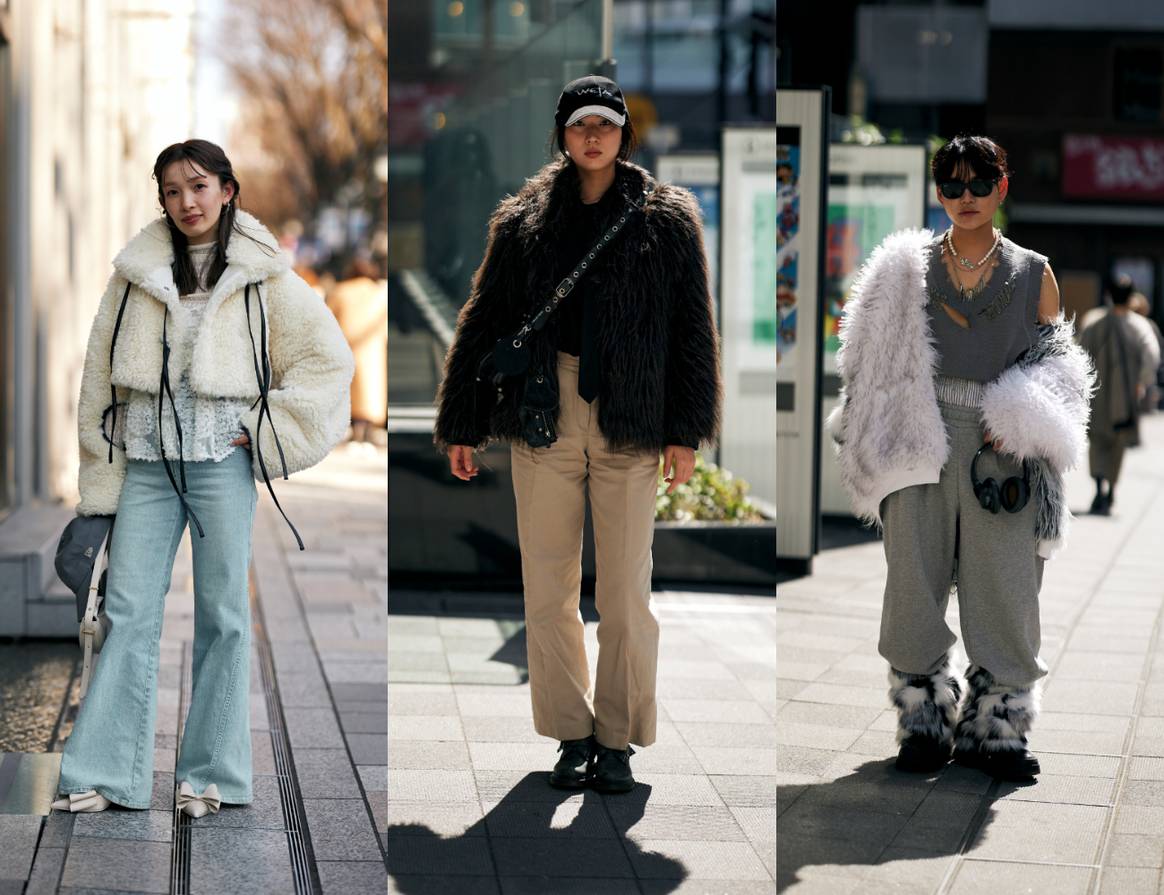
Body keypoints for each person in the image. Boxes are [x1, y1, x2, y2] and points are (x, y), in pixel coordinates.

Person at [434, 75, 721, 794]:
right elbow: (484, 315)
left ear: (625, 134)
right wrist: (462, 419)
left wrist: (685, 430)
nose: (593, 135)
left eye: (606, 123)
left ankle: (617, 737)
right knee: (548, 586)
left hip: (632, 413)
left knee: (625, 594)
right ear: (561, 136)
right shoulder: (523, 218)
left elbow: (693, 330)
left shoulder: (667, 217)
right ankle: (571, 732)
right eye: (579, 124)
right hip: (544, 408)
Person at [52, 139, 354, 815]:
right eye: (171, 190)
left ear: (226, 189)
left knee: (223, 614)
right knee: (126, 611)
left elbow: (327, 359)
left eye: (198, 186)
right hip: (149, 465)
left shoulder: (262, 275)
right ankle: (105, 772)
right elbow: (98, 376)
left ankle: (211, 774)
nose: (186, 202)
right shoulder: (134, 275)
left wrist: (263, 426)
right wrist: (99, 473)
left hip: (222, 461)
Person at [830, 135, 1094, 781]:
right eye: (951, 184)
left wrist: (1023, 416)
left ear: (1002, 188)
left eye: (979, 183)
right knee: (912, 580)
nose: (965, 196)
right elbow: (865, 358)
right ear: (937, 190)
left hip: (1003, 446)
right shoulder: (906, 266)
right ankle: (923, 721)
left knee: (1006, 584)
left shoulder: (1035, 270)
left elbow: (1062, 368)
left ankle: (998, 728)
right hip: (919, 437)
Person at [1078, 276, 1159, 514]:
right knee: (1117, 445)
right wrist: (1141, 384)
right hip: (1124, 399)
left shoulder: (1094, 322)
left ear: (1109, 294)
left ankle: (1099, 487)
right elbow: (1151, 356)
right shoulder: (1139, 326)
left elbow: (1080, 354)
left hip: (1097, 395)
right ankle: (1111, 489)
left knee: (1097, 443)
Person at [327, 257, 388, 443]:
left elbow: (328, 319)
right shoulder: (379, 292)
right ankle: (368, 429)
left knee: (350, 389)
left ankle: (354, 428)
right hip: (372, 347)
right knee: (372, 389)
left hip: (345, 345)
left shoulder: (341, 290)